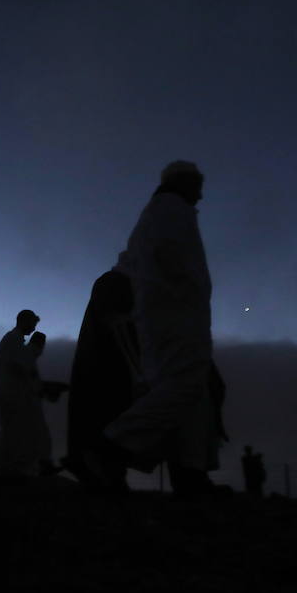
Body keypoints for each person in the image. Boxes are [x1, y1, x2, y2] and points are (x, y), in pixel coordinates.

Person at [101, 161, 226, 500]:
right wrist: (182, 297)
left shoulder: (170, 210)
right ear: (183, 182)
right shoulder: (169, 210)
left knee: (194, 395)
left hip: (178, 313)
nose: (201, 191)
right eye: (197, 183)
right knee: (181, 387)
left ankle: (190, 475)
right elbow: (169, 260)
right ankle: (111, 447)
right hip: (173, 315)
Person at [63, 262, 139, 492]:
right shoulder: (114, 287)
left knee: (108, 415)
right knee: (105, 416)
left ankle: (109, 472)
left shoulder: (114, 288)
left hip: (110, 373)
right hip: (107, 373)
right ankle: (104, 471)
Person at [0, 311, 55, 482]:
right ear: (24, 321)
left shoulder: (15, 342)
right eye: (33, 324)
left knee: (17, 432)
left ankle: (13, 469)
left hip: (16, 395)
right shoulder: (11, 341)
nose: (33, 328)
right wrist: (40, 387)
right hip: (12, 395)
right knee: (14, 433)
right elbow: (21, 368)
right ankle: (9, 470)